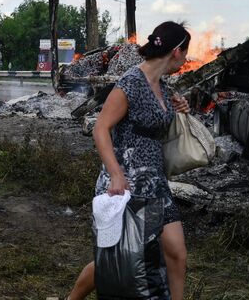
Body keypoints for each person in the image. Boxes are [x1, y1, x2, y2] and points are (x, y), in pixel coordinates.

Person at [66, 21, 192, 300]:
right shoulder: (130, 83)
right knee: (116, 258)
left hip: (155, 182)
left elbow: (161, 122)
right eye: (185, 53)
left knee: (176, 253)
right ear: (176, 52)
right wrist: (115, 174)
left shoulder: (163, 85)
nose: (185, 60)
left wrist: (181, 107)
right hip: (126, 184)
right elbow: (101, 128)